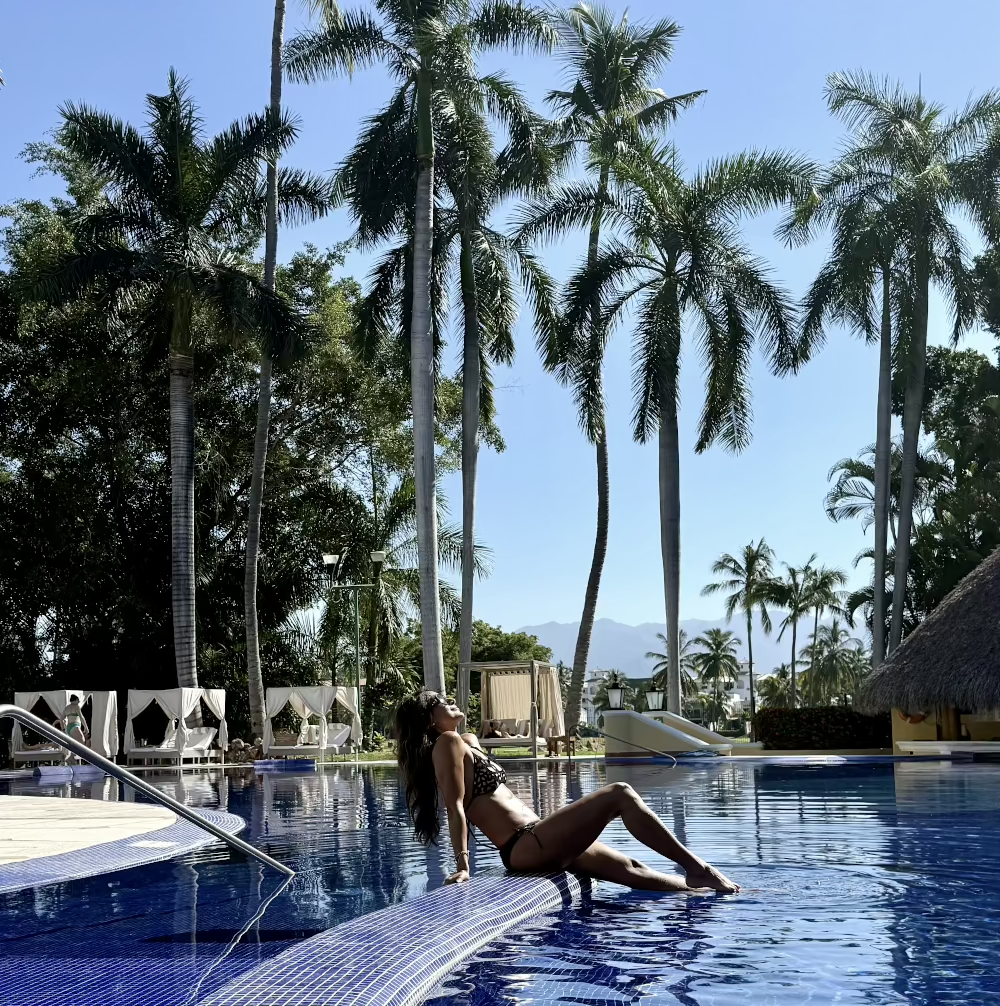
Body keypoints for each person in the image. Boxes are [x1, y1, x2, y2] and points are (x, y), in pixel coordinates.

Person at [395, 690, 739, 892]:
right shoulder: (446, 743)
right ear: (429, 719)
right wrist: (463, 865)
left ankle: (702, 890)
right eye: (441, 701)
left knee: (633, 869)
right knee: (619, 793)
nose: (451, 700)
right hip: (524, 845)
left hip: (538, 836)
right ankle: (699, 868)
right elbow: (455, 806)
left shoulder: (466, 740)